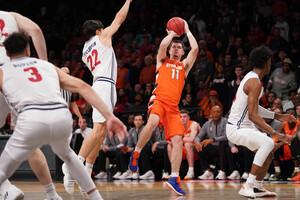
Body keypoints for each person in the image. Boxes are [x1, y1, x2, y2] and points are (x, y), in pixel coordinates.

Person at [0, 32, 127, 200]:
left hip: (31, 119)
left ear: (7, 54)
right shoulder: (47, 66)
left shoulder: (3, 71)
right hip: (60, 117)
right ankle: (90, 197)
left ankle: (10, 189)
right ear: (29, 51)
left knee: (2, 170)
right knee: (68, 155)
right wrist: (109, 115)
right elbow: (82, 86)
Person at [62, 0, 133, 194]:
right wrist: (127, 1)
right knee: (99, 129)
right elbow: (119, 19)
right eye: (103, 29)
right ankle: (72, 167)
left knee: (100, 131)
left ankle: (86, 172)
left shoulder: (85, 50)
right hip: (105, 85)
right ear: (98, 31)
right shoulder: (102, 37)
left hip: (97, 85)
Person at [128, 20, 198, 196]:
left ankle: (174, 178)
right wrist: (172, 34)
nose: (175, 48)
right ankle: (136, 153)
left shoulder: (184, 67)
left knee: (177, 141)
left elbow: (195, 50)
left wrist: (187, 31)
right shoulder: (162, 61)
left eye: (178, 47)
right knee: (152, 122)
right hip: (158, 100)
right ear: (169, 50)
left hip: (173, 107)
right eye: (173, 46)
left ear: (183, 52)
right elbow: (162, 45)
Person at [0, 10, 61, 200]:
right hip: (20, 77)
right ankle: (51, 194)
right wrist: (44, 65)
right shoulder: (11, 16)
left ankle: (5, 186)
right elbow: (35, 30)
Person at [226, 45, 295, 198]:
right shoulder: (254, 82)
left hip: (243, 126)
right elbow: (253, 115)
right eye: (270, 60)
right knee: (269, 143)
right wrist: (277, 134)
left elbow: (253, 107)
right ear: (266, 62)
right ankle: (248, 185)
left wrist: (278, 116)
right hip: (237, 128)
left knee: (268, 153)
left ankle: (257, 187)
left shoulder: (252, 78)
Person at [195, 105, 228, 180]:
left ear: (221, 113)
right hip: (213, 148)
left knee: (222, 144)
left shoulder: (226, 122)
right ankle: (208, 171)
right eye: (214, 112)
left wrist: (213, 139)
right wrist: (197, 142)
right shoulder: (207, 124)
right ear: (211, 113)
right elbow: (199, 136)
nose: (216, 114)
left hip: (224, 148)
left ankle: (222, 171)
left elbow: (227, 136)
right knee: (199, 146)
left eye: (218, 112)